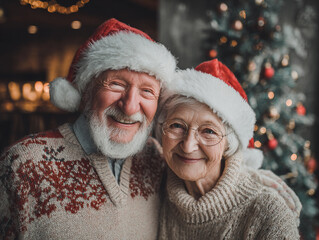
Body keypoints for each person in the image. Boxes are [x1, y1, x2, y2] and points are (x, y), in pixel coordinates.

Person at [0, 18, 176, 239]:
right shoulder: (22, 164)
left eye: (147, 91)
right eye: (116, 84)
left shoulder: (155, 158)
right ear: (86, 90)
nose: (130, 107)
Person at [155, 59, 301, 239]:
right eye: (177, 126)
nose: (188, 145)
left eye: (208, 131)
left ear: (228, 145)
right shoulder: (153, 189)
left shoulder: (269, 213)